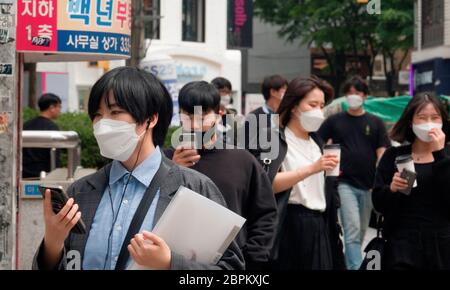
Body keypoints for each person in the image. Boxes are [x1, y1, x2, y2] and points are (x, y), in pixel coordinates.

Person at [32, 67, 244, 270]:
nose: (103, 124)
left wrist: (170, 262)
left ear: (150, 119)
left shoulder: (194, 187)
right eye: (97, 115)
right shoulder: (82, 191)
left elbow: (232, 268)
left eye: (115, 112)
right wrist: (53, 243)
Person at [165, 81, 277, 270]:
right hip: (174, 262)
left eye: (202, 116)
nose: (194, 125)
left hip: (231, 264)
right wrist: (172, 171)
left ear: (219, 116)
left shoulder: (242, 160)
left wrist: (252, 258)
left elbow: (265, 214)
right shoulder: (165, 160)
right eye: (188, 116)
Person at [253, 75, 345, 270]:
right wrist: (312, 169)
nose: (318, 111)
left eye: (321, 106)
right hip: (289, 224)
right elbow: (267, 184)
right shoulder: (273, 138)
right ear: (294, 106)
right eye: (312, 104)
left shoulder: (317, 143)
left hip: (320, 224)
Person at [318, 76, 391, 270]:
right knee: (351, 229)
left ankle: (349, 261)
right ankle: (355, 267)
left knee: (360, 232)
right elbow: (317, 141)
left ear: (365, 96)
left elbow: (382, 150)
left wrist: (381, 176)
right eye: (349, 93)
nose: (353, 97)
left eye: (357, 93)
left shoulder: (375, 122)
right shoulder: (335, 121)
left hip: (368, 185)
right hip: (343, 182)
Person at [373, 93, 450, 270]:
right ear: (411, 122)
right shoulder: (394, 156)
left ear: (443, 122)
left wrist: (440, 155)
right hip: (402, 245)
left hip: (441, 246)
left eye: (435, 118)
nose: (429, 123)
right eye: (422, 118)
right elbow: (378, 203)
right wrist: (391, 189)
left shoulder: (446, 157)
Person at [22, 93, 62, 178]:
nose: (60, 110)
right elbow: (55, 157)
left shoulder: (26, 125)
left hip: (23, 174)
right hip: (43, 176)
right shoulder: (52, 128)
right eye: (59, 107)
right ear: (51, 108)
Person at [211, 77, 241, 145]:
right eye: (223, 91)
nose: (227, 95)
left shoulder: (234, 115)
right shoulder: (206, 115)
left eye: (228, 92)